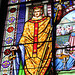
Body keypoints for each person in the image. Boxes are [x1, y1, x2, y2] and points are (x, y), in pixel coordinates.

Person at [10, 6, 52, 75]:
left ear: (41, 12)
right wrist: (17, 47)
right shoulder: (28, 23)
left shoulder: (46, 21)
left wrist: (59, 11)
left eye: (38, 11)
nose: (36, 13)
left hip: (43, 49)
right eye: (35, 12)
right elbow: (24, 36)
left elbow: (55, 20)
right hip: (29, 51)